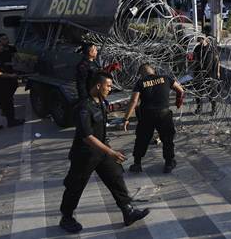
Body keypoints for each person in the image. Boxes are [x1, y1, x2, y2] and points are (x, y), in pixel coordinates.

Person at [59, 72, 150, 233]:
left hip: (102, 152)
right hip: (84, 155)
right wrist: (111, 152)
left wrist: (109, 151)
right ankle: (66, 217)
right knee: (75, 187)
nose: (110, 88)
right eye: (108, 85)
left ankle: (128, 211)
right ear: (98, 86)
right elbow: (87, 136)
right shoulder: (84, 107)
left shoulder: (100, 102)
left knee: (116, 178)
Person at [123, 64, 184, 174]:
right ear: (154, 71)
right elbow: (180, 90)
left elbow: (134, 101)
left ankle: (137, 164)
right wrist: (178, 101)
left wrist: (126, 118)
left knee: (142, 139)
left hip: (147, 115)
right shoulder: (166, 78)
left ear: (141, 74)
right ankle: (169, 164)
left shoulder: (140, 83)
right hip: (164, 114)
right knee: (167, 140)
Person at [192, 36, 221, 115]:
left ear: (205, 39)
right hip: (199, 72)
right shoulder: (197, 48)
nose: (199, 41)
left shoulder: (212, 49)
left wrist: (218, 72)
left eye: (200, 39)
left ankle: (213, 109)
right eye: (198, 39)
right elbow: (194, 59)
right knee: (198, 92)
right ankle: (199, 108)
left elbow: (218, 61)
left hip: (211, 73)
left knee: (212, 91)